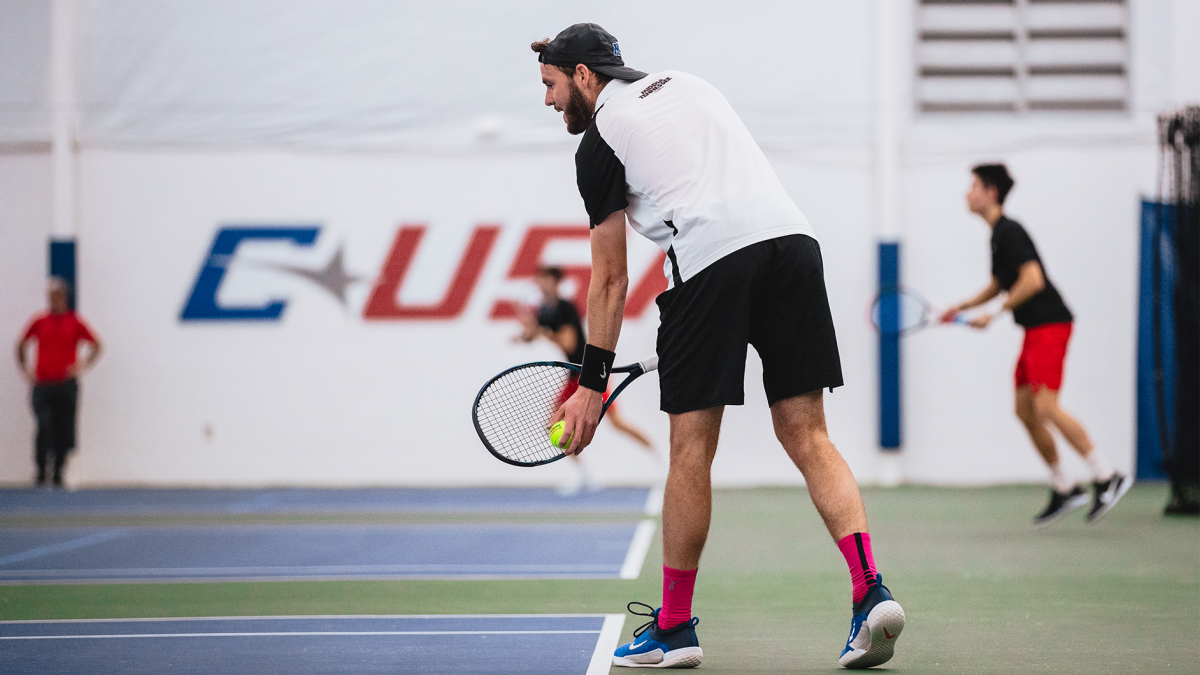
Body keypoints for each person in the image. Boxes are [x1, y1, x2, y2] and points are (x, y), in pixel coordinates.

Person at [532, 23, 904, 669]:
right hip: (794, 244)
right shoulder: (690, 85)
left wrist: (590, 384)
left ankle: (675, 627)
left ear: (584, 77)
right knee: (809, 434)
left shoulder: (599, 142)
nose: (549, 101)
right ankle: (870, 589)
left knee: (691, 449)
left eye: (552, 85)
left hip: (709, 259)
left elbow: (612, 278)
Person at [939, 164, 1131, 526]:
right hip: (1034, 329)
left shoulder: (1011, 231)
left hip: (1050, 325)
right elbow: (999, 283)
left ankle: (1107, 475)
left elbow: (1033, 280)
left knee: (1047, 406)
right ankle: (1065, 487)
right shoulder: (997, 235)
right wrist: (961, 307)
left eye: (973, 186)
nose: (967, 193)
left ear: (991, 192)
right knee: (1025, 410)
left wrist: (994, 315)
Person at [514, 266, 657, 494]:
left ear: (556, 283)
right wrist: (526, 332)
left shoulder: (565, 307)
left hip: (588, 374)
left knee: (616, 423)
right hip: (574, 374)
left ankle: (659, 461)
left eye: (547, 280)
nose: (542, 284)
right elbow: (532, 335)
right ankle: (586, 476)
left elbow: (568, 343)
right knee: (554, 422)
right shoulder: (545, 310)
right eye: (540, 279)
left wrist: (541, 332)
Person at [15, 277, 102, 487]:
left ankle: (59, 471)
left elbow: (96, 345)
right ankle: (41, 468)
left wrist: (81, 366)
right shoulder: (40, 321)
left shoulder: (74, 322)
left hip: (65, 384)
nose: (54, 300)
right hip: (43, 384)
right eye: (51, 297)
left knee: (64, 426)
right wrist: (26, 370)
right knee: (44, 424)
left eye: (58, 296)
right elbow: (21, 343)